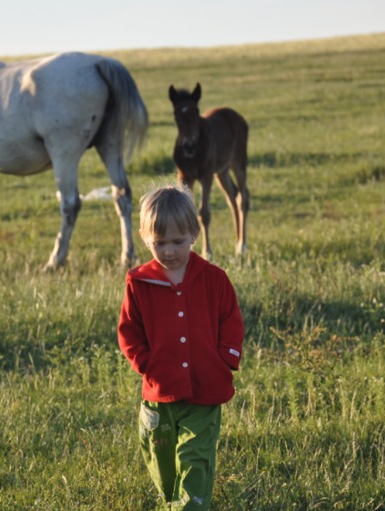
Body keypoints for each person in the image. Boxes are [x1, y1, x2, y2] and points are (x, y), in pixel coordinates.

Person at [117, 185, 245, 510]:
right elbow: (129, 331)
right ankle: (172, 503)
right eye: (159, 243)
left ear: (193, 234)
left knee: (194, 458)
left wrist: (224, 360)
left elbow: (231, 320)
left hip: (205, 391)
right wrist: (146, 363)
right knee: (162, 462)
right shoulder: (139, 282)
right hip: (159, 394)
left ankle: (191, 506)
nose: (169, 251)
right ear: (146, 238)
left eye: (177, 241)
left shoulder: (214, 279)